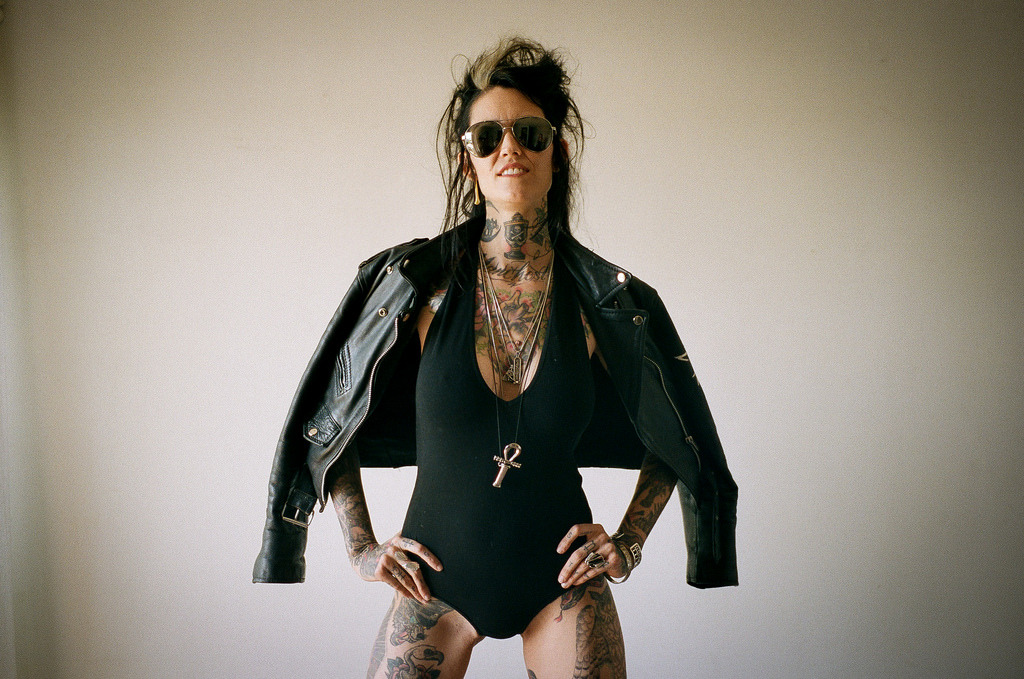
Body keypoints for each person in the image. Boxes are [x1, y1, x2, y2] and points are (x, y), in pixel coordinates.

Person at [253, 37, 737, 678]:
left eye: (530, 133)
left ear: (558, 152)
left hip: (564, 588)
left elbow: (677, 434)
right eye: (488, 137)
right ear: (468, 162)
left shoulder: (610, 303)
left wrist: (629, 542)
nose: (510, 149)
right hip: (433, 587)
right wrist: (362, 547)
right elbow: (333, 422)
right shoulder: (412, 290)